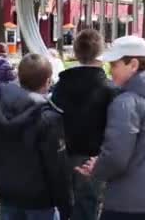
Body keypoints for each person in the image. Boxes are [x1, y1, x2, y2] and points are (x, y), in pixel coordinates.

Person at [75, 36, 145, 220]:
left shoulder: (125, 103)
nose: (110, 71)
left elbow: (116, 157)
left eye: (114, 65)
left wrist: (97, 168)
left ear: (133, 64)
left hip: (127, 204)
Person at [0, 54, 71, 220]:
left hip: (8, 192)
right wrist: (65, 202)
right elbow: (56, 166)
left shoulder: (0, 109)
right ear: (48, 81)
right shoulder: (48, 118)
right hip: (40, 199)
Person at [52, 29, 116, 220]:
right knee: (89, 206)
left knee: (67, 206)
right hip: (94, 157)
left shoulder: (61, 86)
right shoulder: (109, 89)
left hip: (64, 154)